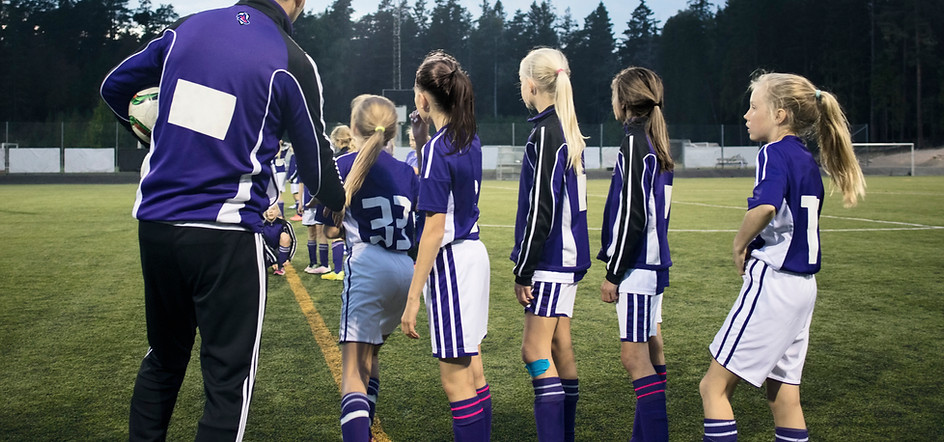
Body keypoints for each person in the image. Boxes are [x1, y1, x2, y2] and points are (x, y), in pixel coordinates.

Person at [99, 0, 344, 439]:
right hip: (226, 235)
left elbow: (115, 87)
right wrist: (339, 199)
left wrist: (152, 129)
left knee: (164, 359)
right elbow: (317, 168)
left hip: (156, 224)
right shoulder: (291, 58)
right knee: (227, 384)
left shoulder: (187, 28)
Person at [699, 72, 866, 442]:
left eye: (754, 106)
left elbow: (766, 207)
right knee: (784, 396)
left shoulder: (773, 152)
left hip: (774, 284)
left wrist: (739, 244)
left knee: (713, 388)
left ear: (780, 115)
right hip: (803, 289)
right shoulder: (805, 158)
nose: (746, 114)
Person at [400, 51, 492, 442]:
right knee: (473, 371)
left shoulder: (440, 146)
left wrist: (413, 297)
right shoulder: (469, 138)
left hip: (453, 262)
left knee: (456, 382)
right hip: (473, 254)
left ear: (423, 99)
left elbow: (433, 230)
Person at [315, 94, 417, 442]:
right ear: (392, 132)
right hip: (406, 268)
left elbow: (329, 230)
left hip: (368, 264)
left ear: (353, 126)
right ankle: (366, 430)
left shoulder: (342, 166)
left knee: (352, 374)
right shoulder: (406, 170)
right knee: (370, 355)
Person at [511, 47, 590, 442]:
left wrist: (523, 268)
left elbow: (541, 208)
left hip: (550, 262)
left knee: (534, 352)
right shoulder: (566, 128)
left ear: (529, 85)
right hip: (569, 260)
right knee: (560, 346)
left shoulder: (545, 133)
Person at [598, 67, 675, 442]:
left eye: (614, 95)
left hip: (637, 268)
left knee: (634, 358)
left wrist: (613, 272)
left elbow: (633, 215)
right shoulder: (655, 141)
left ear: (624, 102)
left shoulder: (633, 143)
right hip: (653, 266)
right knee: (652, 347)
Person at [262, 203, 296, 276]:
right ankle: (271, 263)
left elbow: (294, 241)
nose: (270, 212)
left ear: (278, 211)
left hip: (279, 251)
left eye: (273, 209)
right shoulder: (261, 225)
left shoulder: (285, 224)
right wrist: (273, 260)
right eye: (268, 209)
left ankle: (281, 265)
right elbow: (263, 244)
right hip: (267, 252)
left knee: (285, 236)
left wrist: (289, 258)